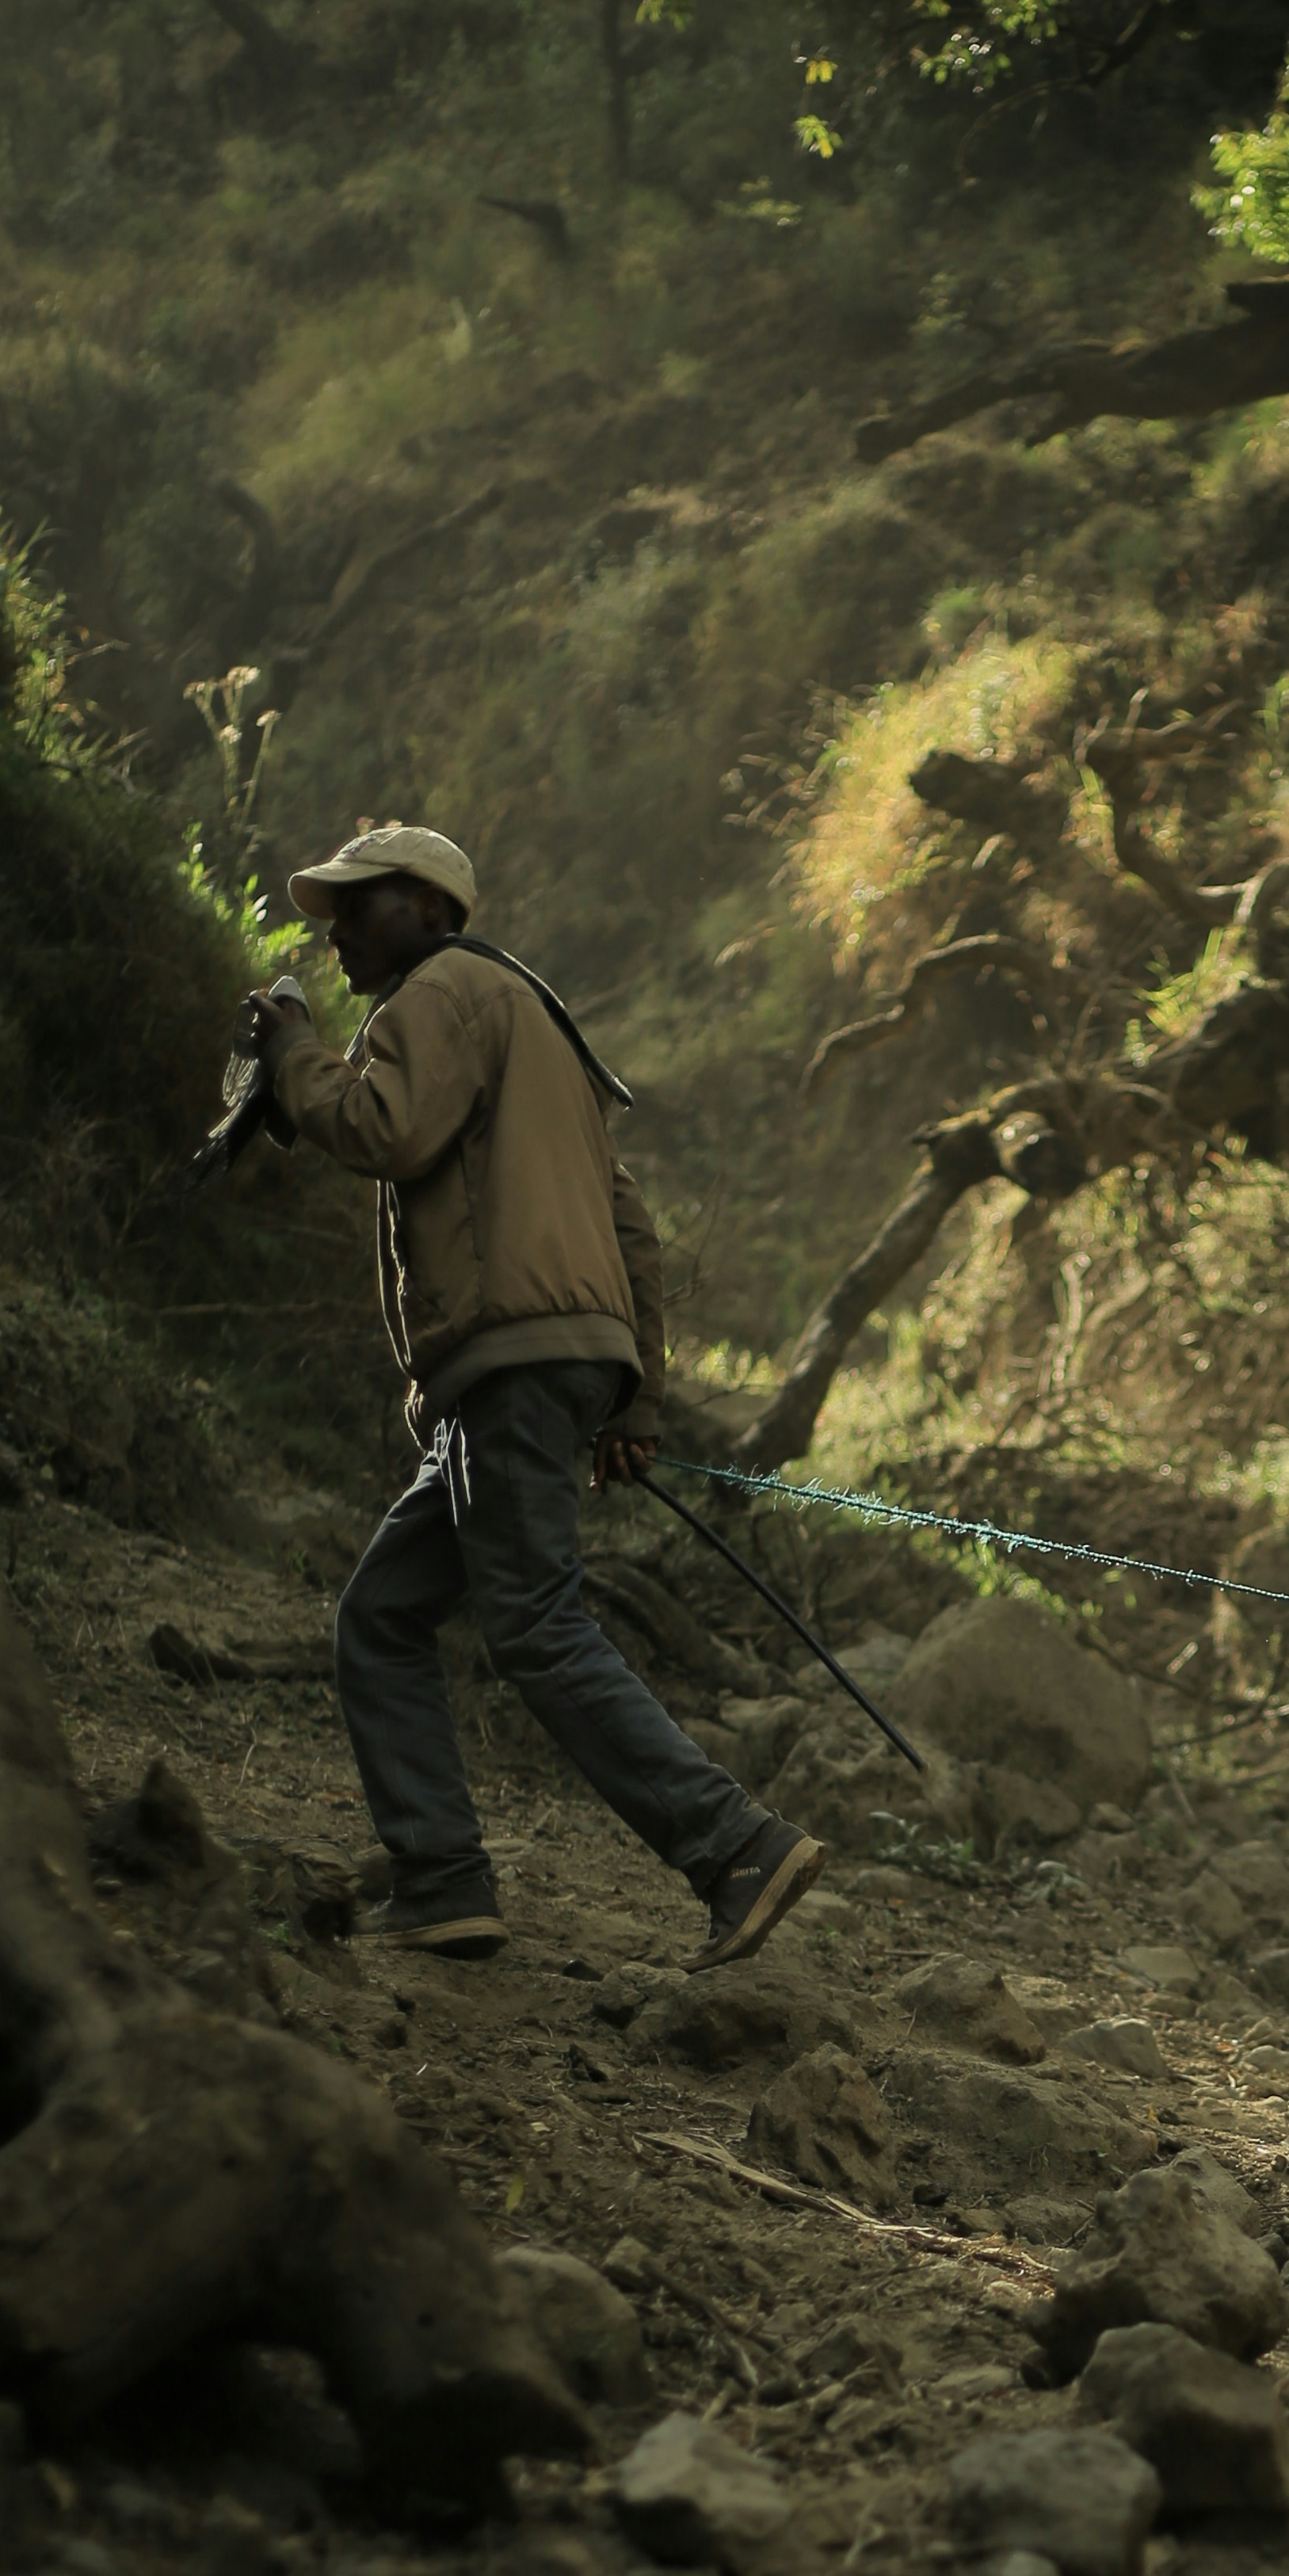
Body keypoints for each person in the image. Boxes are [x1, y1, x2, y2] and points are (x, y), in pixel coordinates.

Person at [250, 820, 821, 1968]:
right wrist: (634, 1397)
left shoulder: (439, 991)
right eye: (334, 914)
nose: (341, 931)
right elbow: (631, 1231)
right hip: (550, 1365)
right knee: (384, 1615)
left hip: (504, 1364)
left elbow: (380, 1127)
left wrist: (293, 1053)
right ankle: (445, 1883)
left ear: (426, 905)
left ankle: (734, 1847)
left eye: (358, 907)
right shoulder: (541, 1029)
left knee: (536, 1627)